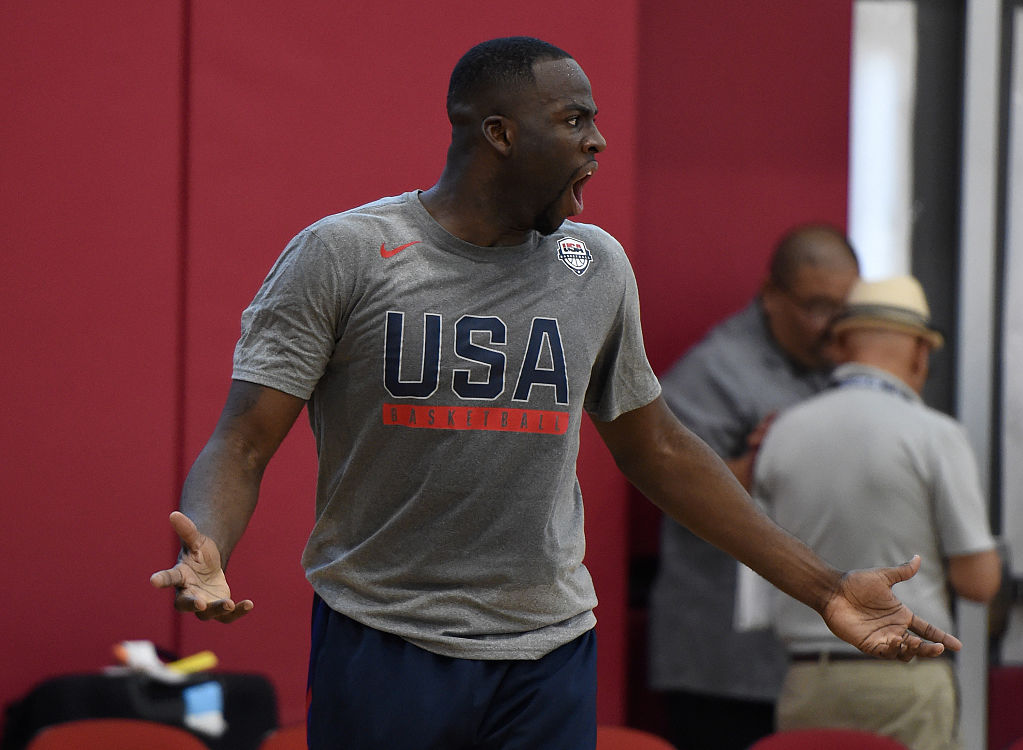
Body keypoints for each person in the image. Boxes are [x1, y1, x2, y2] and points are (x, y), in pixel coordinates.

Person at [149, 37, 960, 750]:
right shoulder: (345, 254)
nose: (597, 140)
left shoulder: (594, 267)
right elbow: (245, 439)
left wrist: (824, 590)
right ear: (498, 134)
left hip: (548, 650)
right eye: (574, 120)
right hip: (386, 639)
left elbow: (663, 452)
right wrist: (209, 544)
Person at [749, 275, 1001, 749]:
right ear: (920, 353)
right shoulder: (935, 435)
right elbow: (979, 583)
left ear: (841, 344)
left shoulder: (783, 433)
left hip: (809, 680)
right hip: (907, 679)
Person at [647, 224, 860, 750]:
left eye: (845, 307)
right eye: (816, 307)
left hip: (811, 653)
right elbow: (677, 493)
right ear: (771, 295)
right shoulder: (712, 372)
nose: (832, 326)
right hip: (724, 662)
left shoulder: (841, 368)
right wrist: (763, 460)